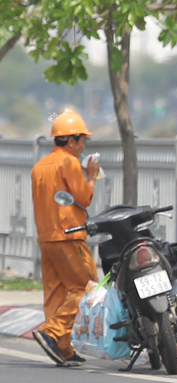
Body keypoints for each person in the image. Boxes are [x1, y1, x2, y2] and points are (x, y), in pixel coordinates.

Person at [31, 110, 100, 367]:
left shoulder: (40, 166)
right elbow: (84, 198)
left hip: (46, 238)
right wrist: (91, 176)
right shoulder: (69, 163)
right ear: (71, 141)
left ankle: (63, 349)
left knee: (56, 293)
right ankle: (52, 331)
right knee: (86, 287)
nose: (83, 147)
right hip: (68, 235)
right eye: (83, 141)